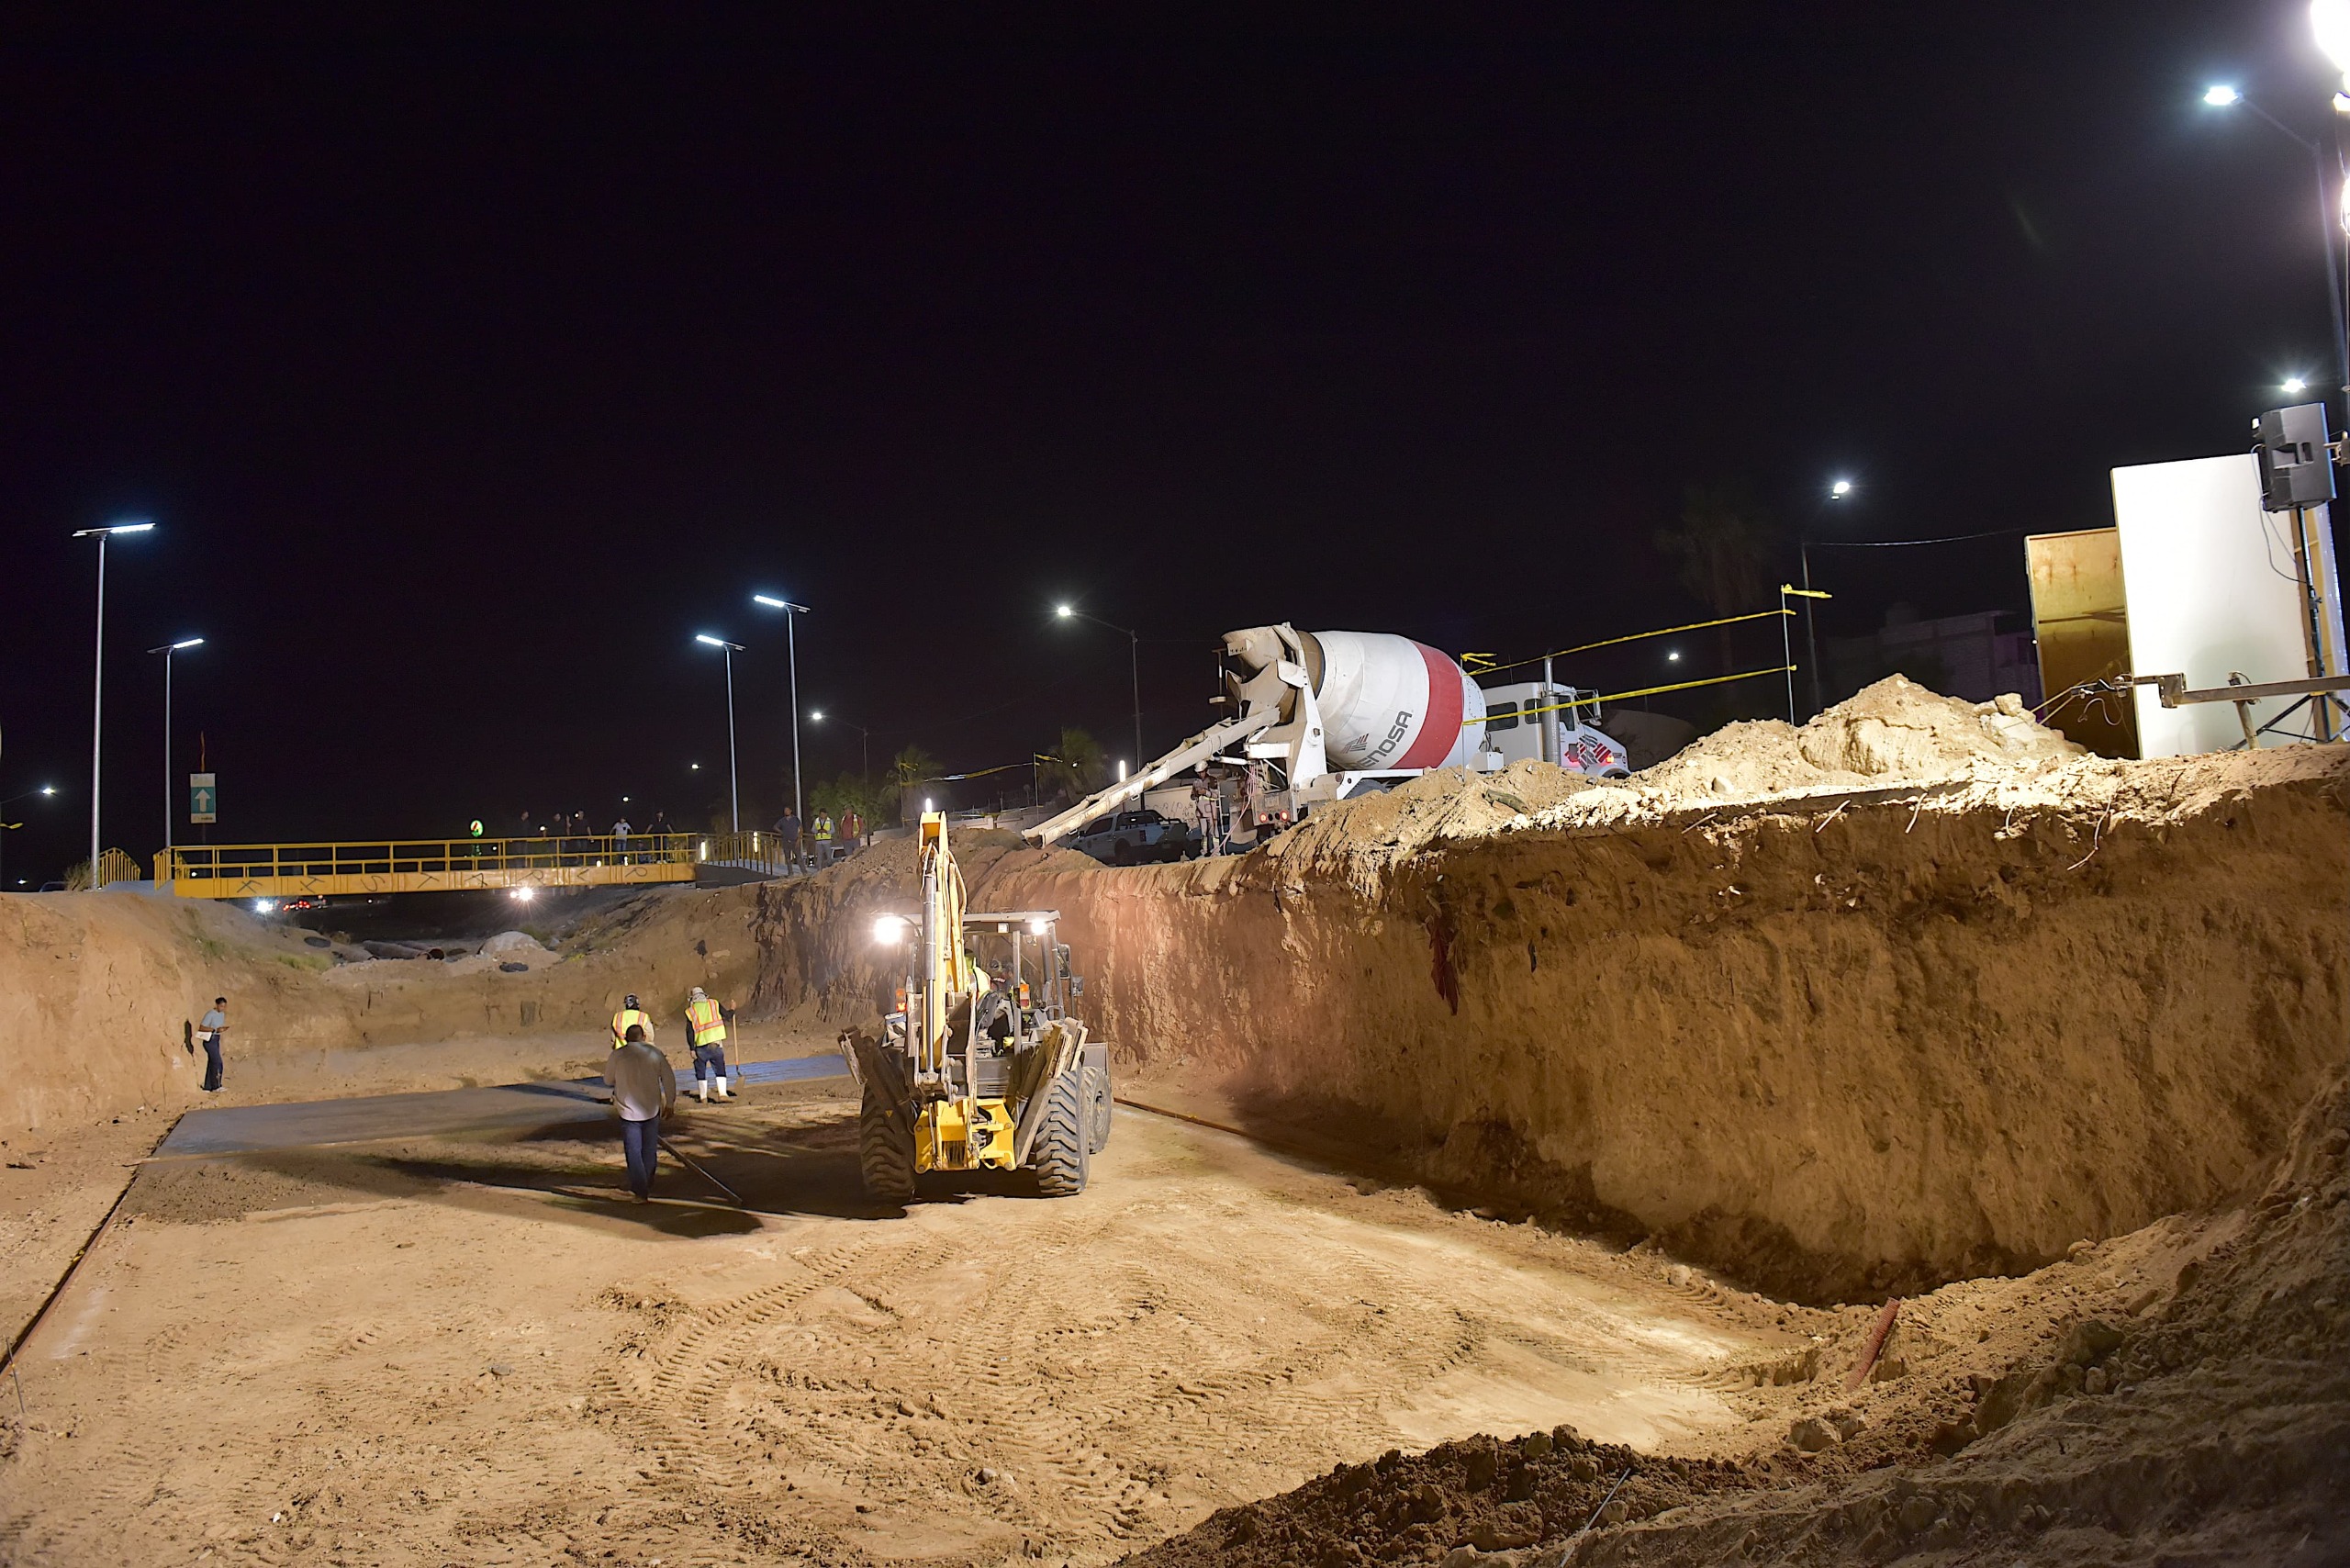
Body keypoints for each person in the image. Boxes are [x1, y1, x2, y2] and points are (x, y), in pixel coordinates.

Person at [605, 1023, 677, 1202]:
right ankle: (648, 1181)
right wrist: (670, 1102)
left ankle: (640, 1189)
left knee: (633, 1150)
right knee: (649, 1148)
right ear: (644, 1037)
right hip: (651, 1107)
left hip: (628, 1110)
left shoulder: (618, 1055)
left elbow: (607, 1080)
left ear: (625, 1038)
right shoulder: (654, 1054)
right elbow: (668, 1078)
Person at [683, 985, 734, 1102]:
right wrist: (732, 1009)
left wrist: (691, 1048)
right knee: (720, 1068)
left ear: (692, 999)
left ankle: (703, 1096)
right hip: (716, 1042)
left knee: (700, 1070)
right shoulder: (714, 1004)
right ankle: (722, 1094)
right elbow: (727, 1016)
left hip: (700, 1045)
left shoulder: (690, 1011)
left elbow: (689, 1032)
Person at [196, 996, 229, 1092]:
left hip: (216, 1038)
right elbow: (202, 1027)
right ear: (217, 1005)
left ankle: (208, 1086)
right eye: (221, 1006)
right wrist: (215, 1030)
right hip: (210, 1040)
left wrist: (221, 1029)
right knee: (217, 1062)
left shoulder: (222, 1014)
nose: (223, 1008)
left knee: (212, 1062)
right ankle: (216, 1086)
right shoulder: (210, 1014)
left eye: (224, 1006)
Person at [775, 808, 801, 872]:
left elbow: (801, 829)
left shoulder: (795, 819)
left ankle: (804, 872)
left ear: (790, 811)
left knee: (799, 858)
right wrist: (782, 832)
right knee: (788, 858)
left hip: (794, 840)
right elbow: (775, 827)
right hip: (786, 841)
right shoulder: (782, 820)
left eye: (787, 810)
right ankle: (790, 872)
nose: (786, 812)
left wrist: (799, 839)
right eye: (785, 811)